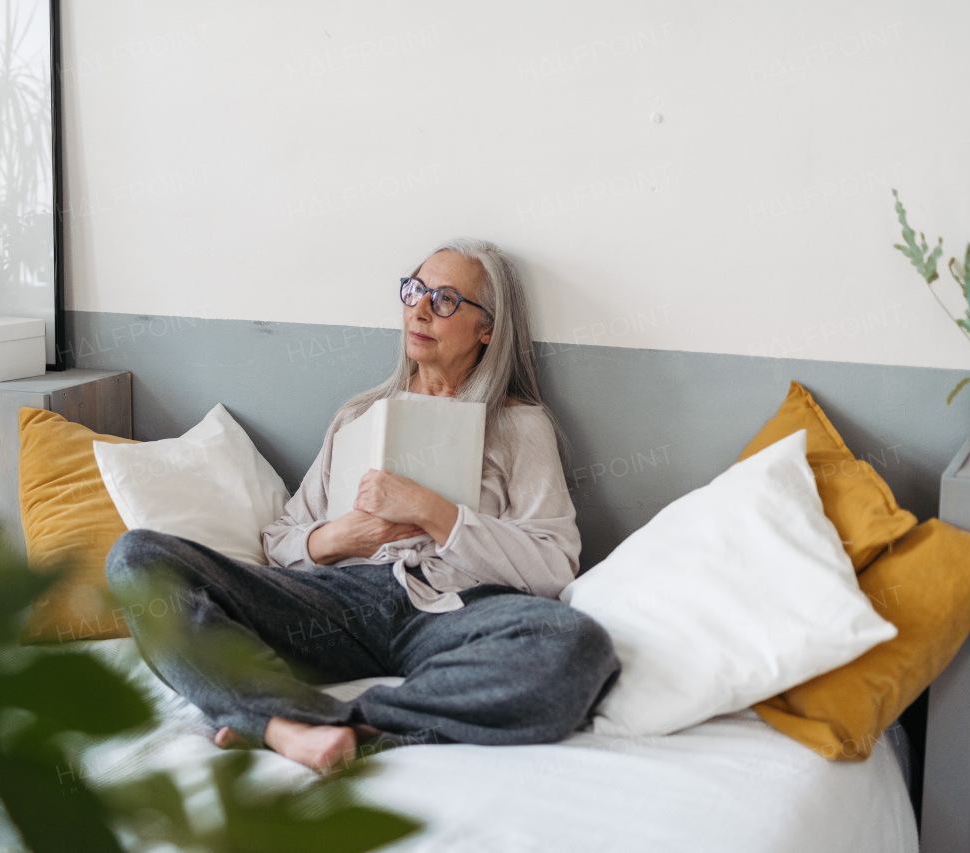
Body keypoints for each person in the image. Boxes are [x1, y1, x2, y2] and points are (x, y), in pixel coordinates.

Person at [106, 238, 620, 774]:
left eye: (445, 300)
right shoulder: (358, 416)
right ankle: (289, 724)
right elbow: (280, 540)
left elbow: (554, 565)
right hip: (337, 605)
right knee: (137, 559)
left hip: (453, 611)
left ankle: (330, 722)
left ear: (486, 328)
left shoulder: (520, 426)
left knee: (575, 644)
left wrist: (433, 512)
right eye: (414, 291)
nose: (419, 309)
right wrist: (338, 539)